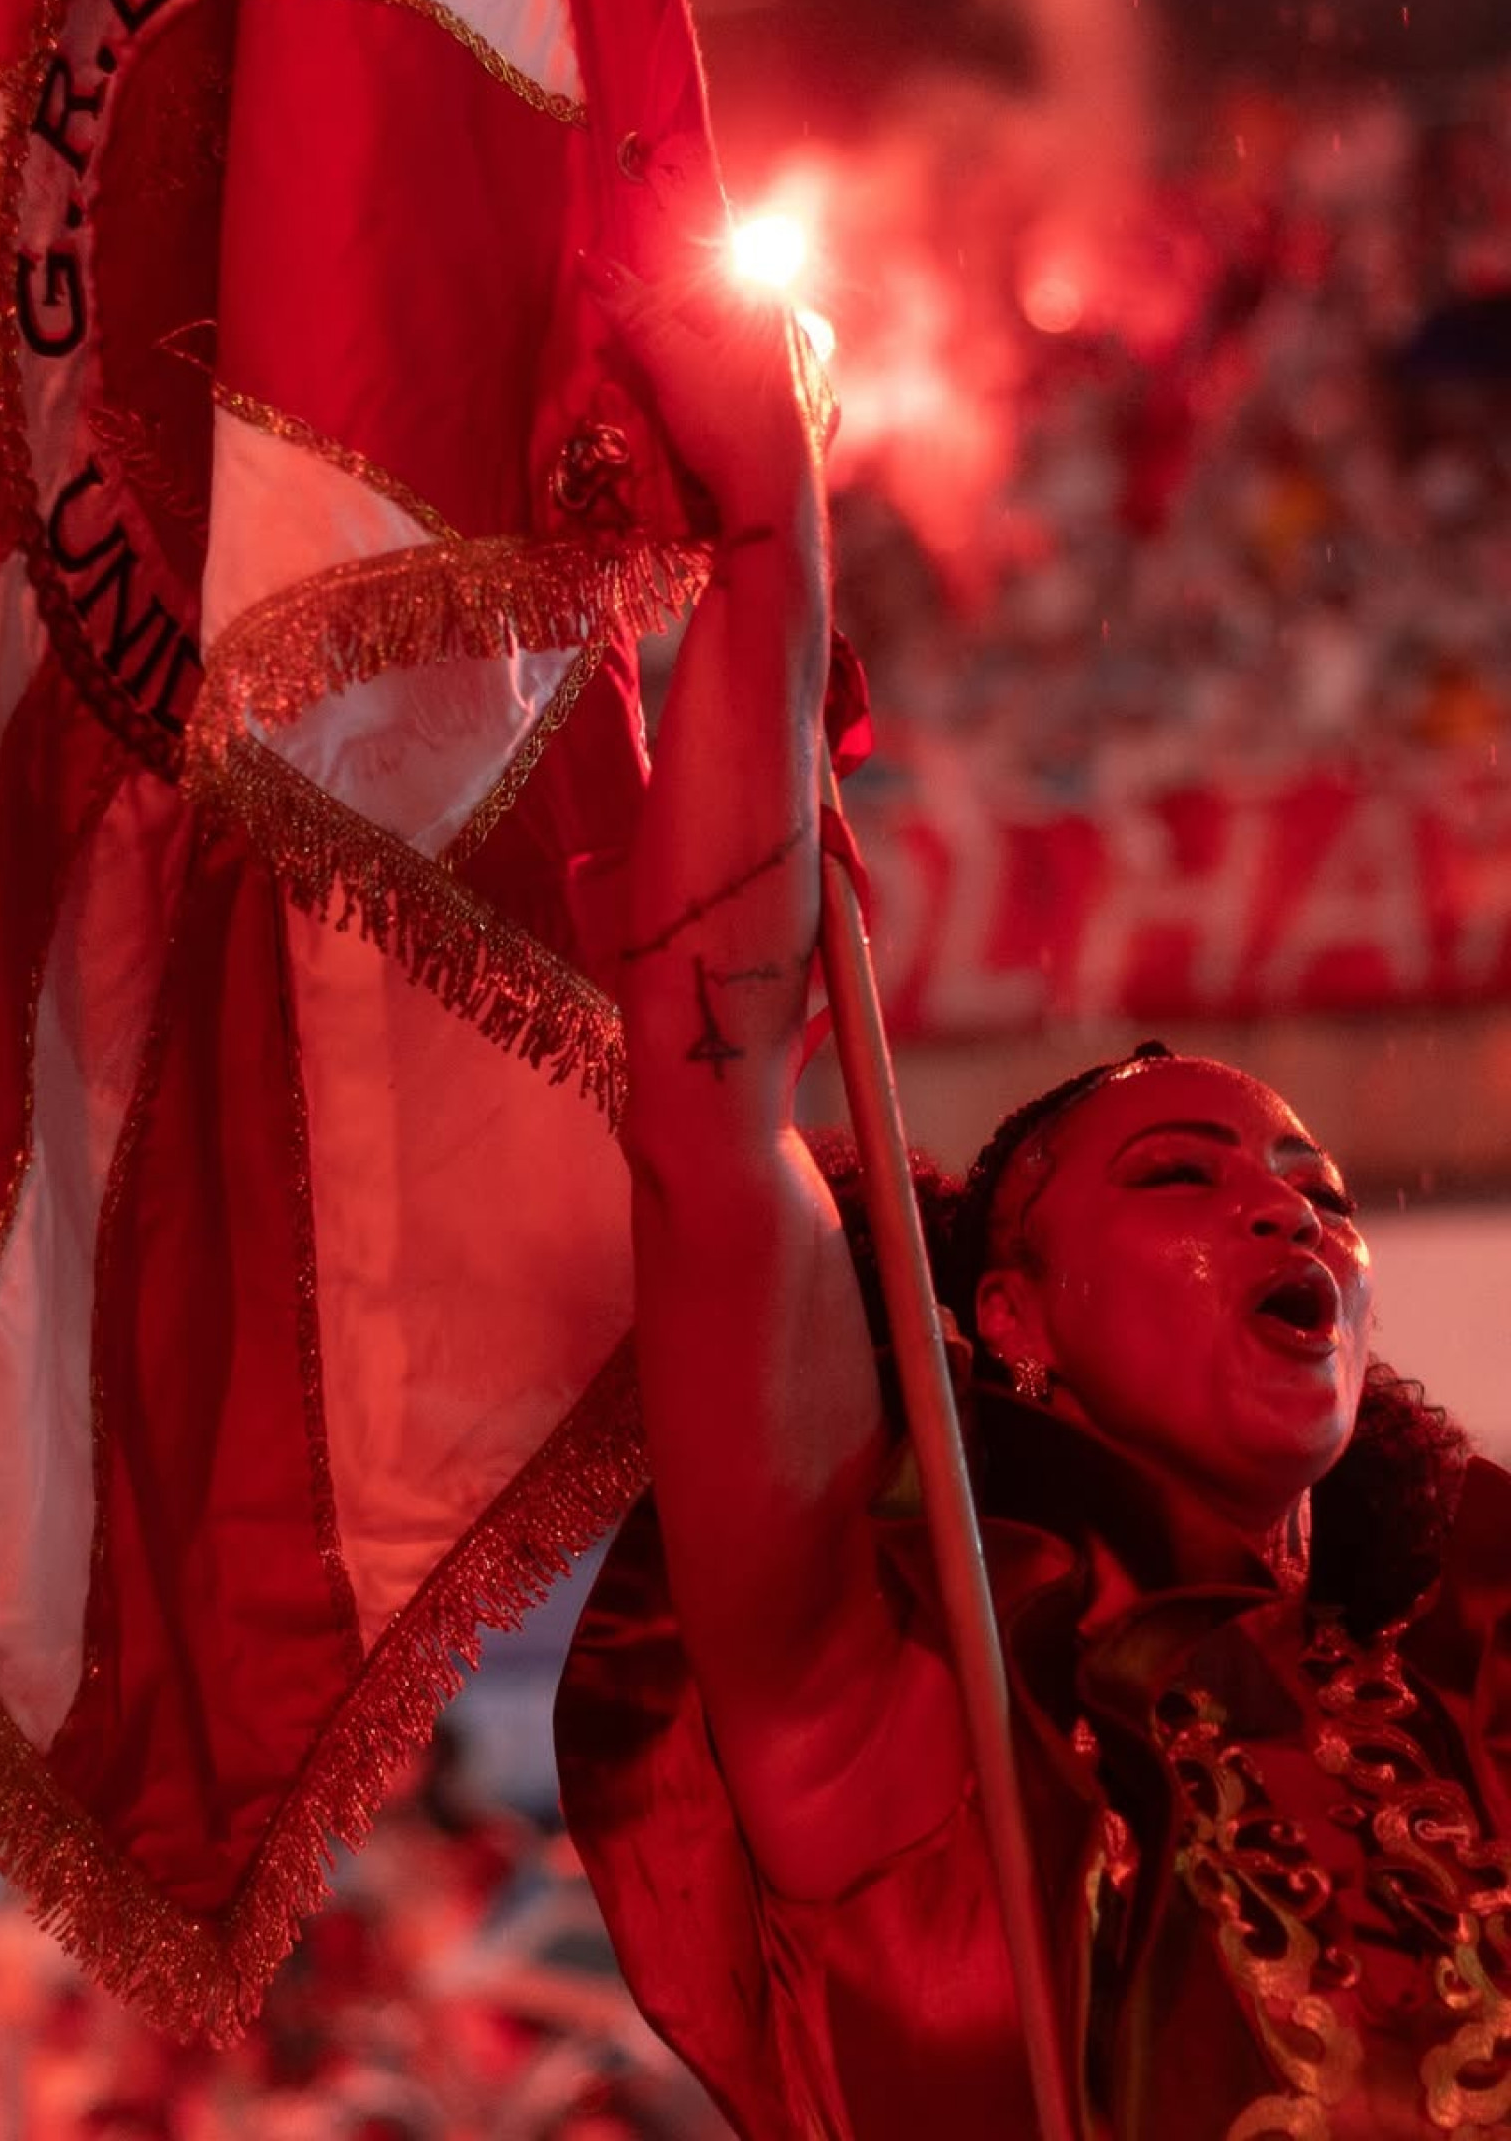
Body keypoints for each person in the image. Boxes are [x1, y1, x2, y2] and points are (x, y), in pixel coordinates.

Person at [554, 262, 1508, 2140]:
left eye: (1318, 1193)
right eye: (1186, 1173)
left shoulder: (1471, 1707)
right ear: (1014, 1314)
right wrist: (766, 549)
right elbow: (706, 1115)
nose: (1290, 1217)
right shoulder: (925, 1710)